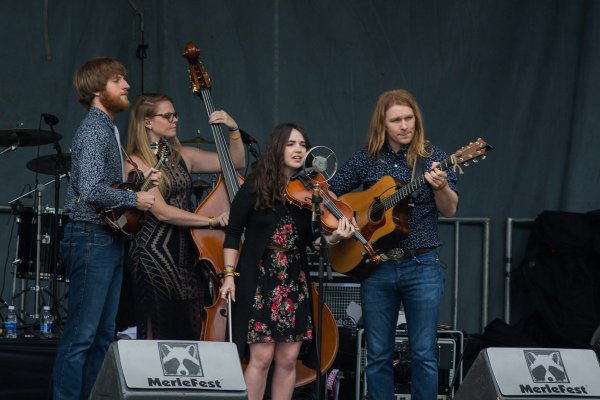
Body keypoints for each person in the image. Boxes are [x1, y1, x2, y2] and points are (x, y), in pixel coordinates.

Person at [329, 89, 459, 400]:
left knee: (425, 354)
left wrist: (441, 187)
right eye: (396, 120)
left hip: (422, 265)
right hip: (378, 266)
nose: (404, 126)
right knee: (377, 355)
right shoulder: (366, 159)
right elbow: (329, 194)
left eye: (409, 118)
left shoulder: (435, 158)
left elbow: (450, 208)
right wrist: (343, 222)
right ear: (383, 125)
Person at [219, 123, 354, 400]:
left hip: (294, 277)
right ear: (277, 147)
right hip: (260, 277)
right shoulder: (254, 186)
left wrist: (335, 238)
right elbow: (232, 234)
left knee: (288, 358)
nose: (298, 150)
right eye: (291, 144)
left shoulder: (312, 190)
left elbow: (313, 241)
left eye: (303, 145)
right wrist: (229, 275)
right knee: (261, 356)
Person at [53, 57, 158, 400]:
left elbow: (106, 185)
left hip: (106, 240)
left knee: (101, 337)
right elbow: (91, 188)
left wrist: (137, 183)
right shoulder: (95, 128)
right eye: (117, 80)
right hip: (90, 238)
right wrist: (136, 200)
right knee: (81, 338)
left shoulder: (107, 127)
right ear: (98, 90)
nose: (127, 85)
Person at [125, 92, 246, 340]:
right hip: (153, 255)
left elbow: (236, 161)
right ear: (147, 122)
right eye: (167, 116)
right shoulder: (135, 162)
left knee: (190, 330)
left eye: (175, 115)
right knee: (156, 332)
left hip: (187, 255)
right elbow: (162, 211)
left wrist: (233, 130)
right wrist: (211, 221)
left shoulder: (183, 156)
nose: (175, 120)